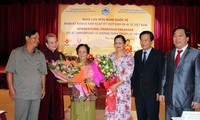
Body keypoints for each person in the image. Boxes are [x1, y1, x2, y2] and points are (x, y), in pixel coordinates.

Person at [159, 26, 200, 119]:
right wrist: (162, 92)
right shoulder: (169, 54)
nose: (177, 38)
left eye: (180, 35)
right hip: (170, 99)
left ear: (187, 38)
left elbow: (198, 77)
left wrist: (197, 99)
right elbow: (164, 75)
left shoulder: (196, 54)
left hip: (187, 100)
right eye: (174, 36)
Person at [5, 29, 47, 120]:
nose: (38, 40)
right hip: (21, 93)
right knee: (21, 117)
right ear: (27, 38)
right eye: (34, 38)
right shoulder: (16, 53)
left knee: (34, 117)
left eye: (38, 38)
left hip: (36, 93)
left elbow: (43, 73)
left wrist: (43, 88)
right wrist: (11, 89)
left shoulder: (41, 55)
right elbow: (9, 72)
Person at [131, 31, 165, 120]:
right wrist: (132, 87)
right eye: (141, 40)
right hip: (139, 92)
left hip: (152, 93)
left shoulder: (158, 54)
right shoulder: (137, 54)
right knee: (141, 116)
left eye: (146, 40)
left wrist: (160, 91)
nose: (143, 42)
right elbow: (135, 73)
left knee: (153, 116)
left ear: (151, 41)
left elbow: (161, 74)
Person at [106, 35, 134, 120]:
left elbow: (128, 73)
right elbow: (106, 71)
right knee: (111, 109)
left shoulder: (129, 56)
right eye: (116, 43)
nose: (118, 45)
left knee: (122, 111)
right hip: (111, 87)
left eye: (120, 43)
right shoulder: (110, 55)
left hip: (123, 88)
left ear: (125, 44)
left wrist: (117, 84)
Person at [38, 33, 65, 120]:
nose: (54, 44)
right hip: (45, 84)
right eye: (51, 43)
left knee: (56, 106)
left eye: (55, 42)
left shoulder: (60, 55)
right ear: (46, 44)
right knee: (45, 107)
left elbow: (65, 71)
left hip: (57, 86)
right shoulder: (41, 54)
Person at [70, 44, 97, 120]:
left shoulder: (93, 64)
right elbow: (68, 80)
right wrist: (72, 82)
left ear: (87, 53)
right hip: (76, 93)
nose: (82, 54)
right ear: (77, 53)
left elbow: (97, 79)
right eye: (80, 52)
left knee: (88, 114)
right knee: (77, 114)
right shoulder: (72, 65)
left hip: (89, 93)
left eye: (84, 52)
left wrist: (91, 80)